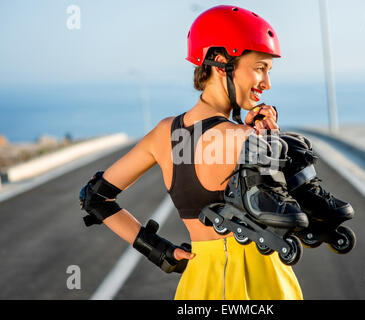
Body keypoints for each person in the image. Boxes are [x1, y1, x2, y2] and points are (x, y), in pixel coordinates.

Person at [79, 5, 303, 300]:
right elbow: (299, 222)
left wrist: (160, 252)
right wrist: (268, 136)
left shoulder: (163, 134)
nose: (267, 83)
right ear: (221, 62)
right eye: (260, 67)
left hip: (198, 286)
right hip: (260, 281)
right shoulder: (245, 138)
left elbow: (94, 197)